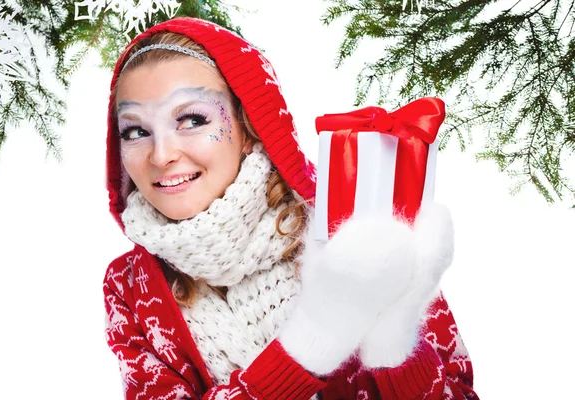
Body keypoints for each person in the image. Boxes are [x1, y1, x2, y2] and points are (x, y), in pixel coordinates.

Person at [103, 17, 479, 400]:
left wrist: (395, 343)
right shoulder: (129, 287)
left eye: (192, 120)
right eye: (135, 131)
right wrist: (308, 346)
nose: (162, 155)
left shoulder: (351, 226)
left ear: (248, 127)